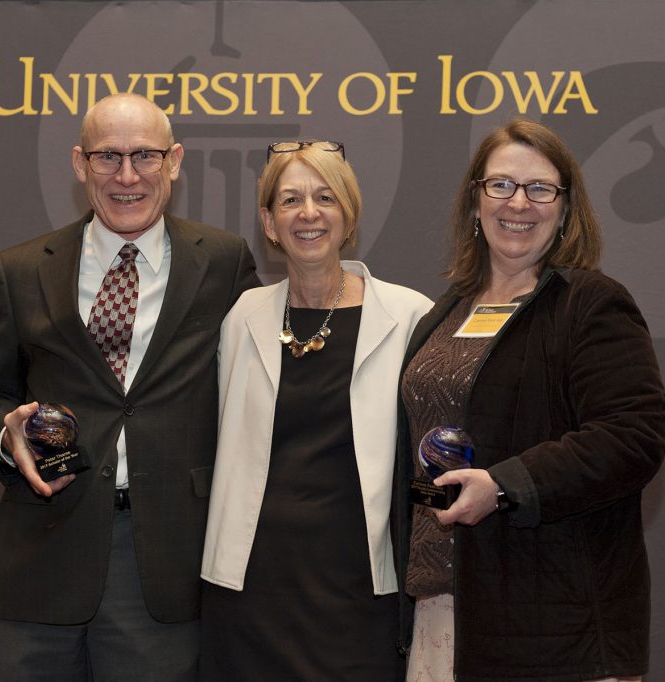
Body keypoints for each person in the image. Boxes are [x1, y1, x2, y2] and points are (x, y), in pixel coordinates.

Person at [0, 93, 260, 681]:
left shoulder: (223, 263)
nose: (127, 176)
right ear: (80, 164)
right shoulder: (21, 269)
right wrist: (6, 435)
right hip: (42, 557)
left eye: (145, 156)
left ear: (174, 161)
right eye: (107, 157)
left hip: (166, 561)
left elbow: (257, 394)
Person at [393, 119, 665, 681]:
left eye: (540, 188)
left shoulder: (591, 304)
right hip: (441, 604)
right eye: (499, 185)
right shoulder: (445, 312)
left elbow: (633, 436)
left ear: (566, 208)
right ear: (475, 200)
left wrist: (502, 487)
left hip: (551, 624)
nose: (518, 202)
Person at [199, 140, 432, 680]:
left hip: (360, 588)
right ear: (269, 222)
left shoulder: (409, 314)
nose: (308, 213)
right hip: (251, 589)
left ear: (348, 215)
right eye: (290, 200)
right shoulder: (241, 316)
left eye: (325, 197)